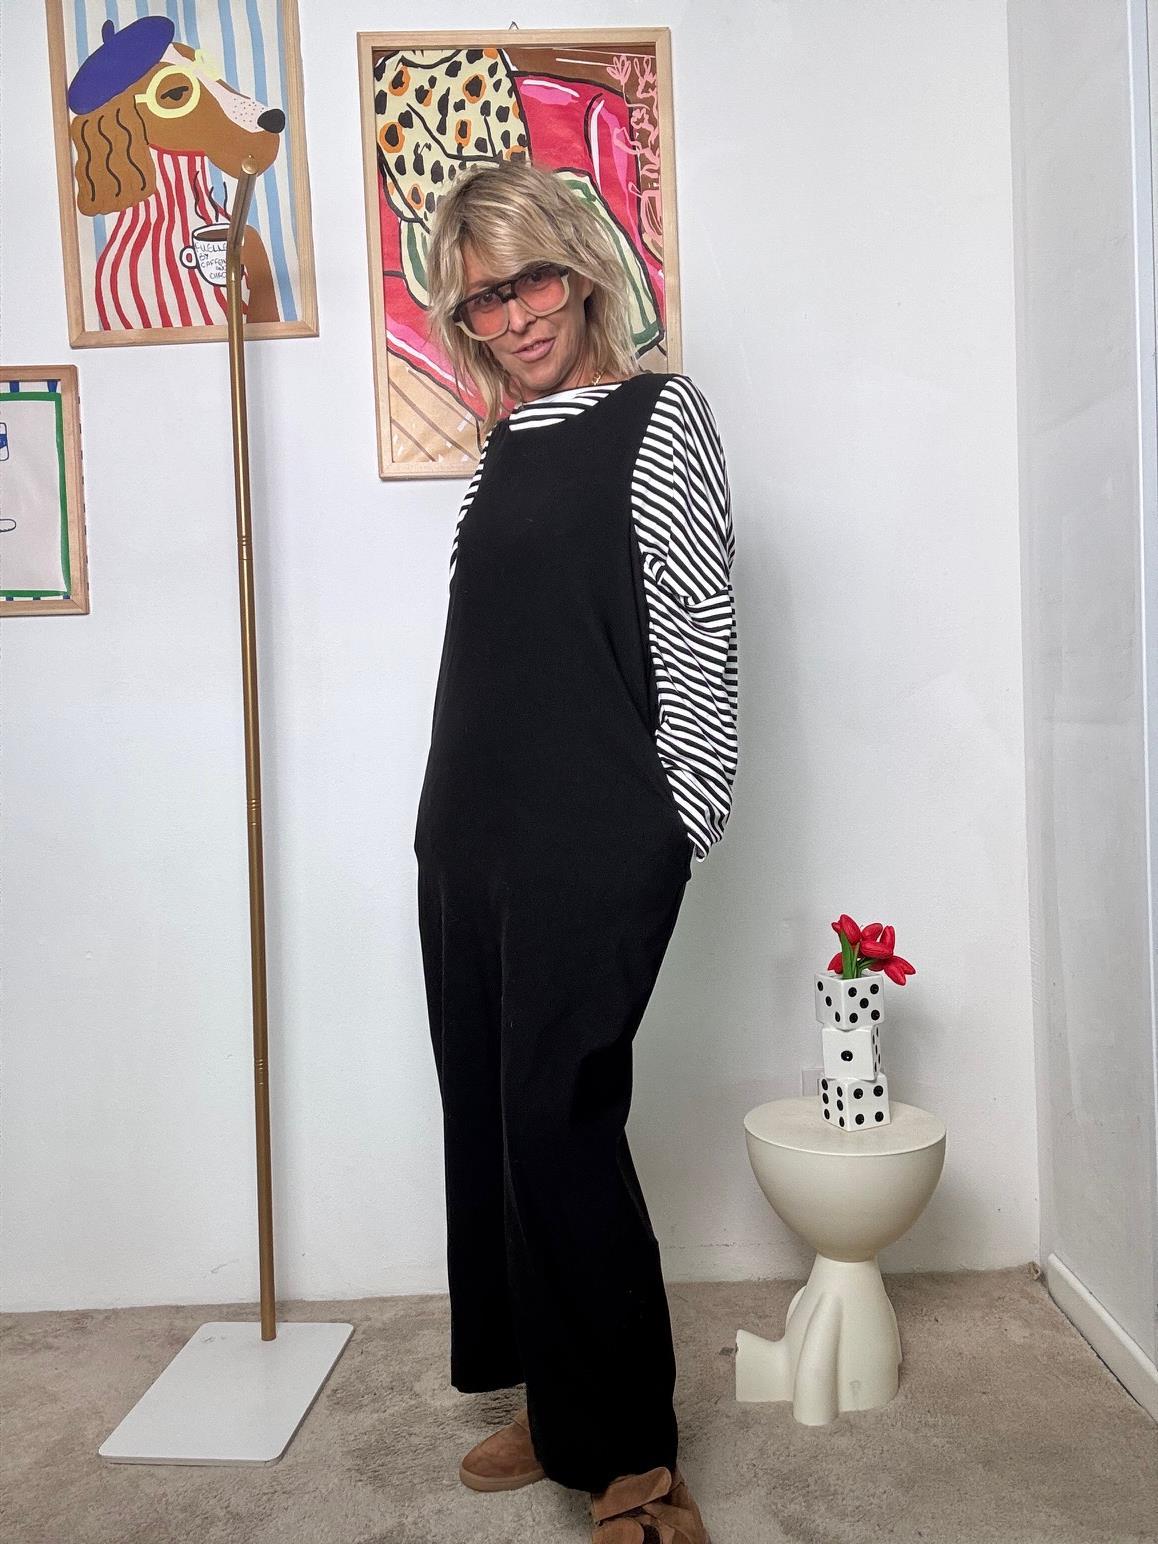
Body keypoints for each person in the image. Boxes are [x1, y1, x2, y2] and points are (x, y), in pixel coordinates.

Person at [413, 158, 736, 1544]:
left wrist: (678, 824)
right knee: (496, 1119)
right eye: (482, 301)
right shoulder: (505, 445)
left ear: (580, 270)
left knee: (561, 1118)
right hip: (468, 835)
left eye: (530, 280)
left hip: (590, 835)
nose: (514, 317)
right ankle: (557, 1403)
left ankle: (633, 1456)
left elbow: (698, 633)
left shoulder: (659, 417)